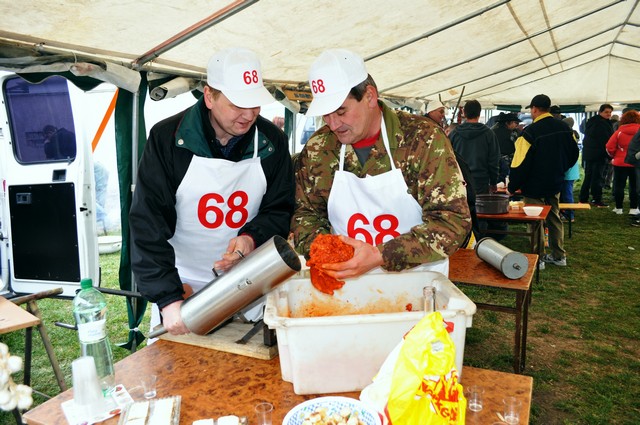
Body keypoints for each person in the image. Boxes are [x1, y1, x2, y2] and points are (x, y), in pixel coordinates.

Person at [130, 48, 295, 336]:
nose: (249, 115)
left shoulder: (272, 142)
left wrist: (250, 238)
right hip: (183, 285)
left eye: (255, 104)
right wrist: (168, 298)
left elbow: (279, 208)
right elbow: (148, 224)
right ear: (209, 96)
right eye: (237, 104)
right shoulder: (167, 139)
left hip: (248, 281)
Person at [292, 48, 471, 279]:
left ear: (369, 96)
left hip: (418, 283)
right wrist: (329, 252)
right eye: (326, 115)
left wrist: (381, 255)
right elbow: (306, 215)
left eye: (341, 112)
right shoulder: (319, 148)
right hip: (345, 284)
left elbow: (452, 221)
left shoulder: (422, 139)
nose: (333, 124)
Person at [508, 94, 579, 267]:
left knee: (535, 221)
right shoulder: (565, 128)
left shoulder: (529, 132)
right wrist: (561, 169)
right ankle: (559, 256)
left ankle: (538, 258)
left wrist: (513, 185)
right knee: (554, 216)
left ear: (534, 109)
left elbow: (519, 163)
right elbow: (574, 154)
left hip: (534, 185)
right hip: (555, 181)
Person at [449, 100, 500, 195]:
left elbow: (447, 158)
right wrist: (493, 182)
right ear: (479, 113)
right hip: (481, 182)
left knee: (462, 205)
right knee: (479, 204)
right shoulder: (489, 134)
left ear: (464, 113)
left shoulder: (454, 134)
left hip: (459, 181)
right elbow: (494, 161)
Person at [605, 110, 640, 215]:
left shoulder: (619, 132)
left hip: (620, 162)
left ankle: (619, 208)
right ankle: (634, 208)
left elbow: (609, 147)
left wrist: (614, 156)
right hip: (636, 162)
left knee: (619, 185)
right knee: (635, 186)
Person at [579, 104, 614, 207]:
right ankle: (596, 199)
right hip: (599, 154)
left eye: (610, 112)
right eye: (606, 112)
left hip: (589, 154)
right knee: (598, 178)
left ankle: (583, 198)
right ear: (600, 112)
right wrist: (609, 156)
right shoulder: (602, 124)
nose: (609, 114)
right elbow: (605, 141)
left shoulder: (592, 122)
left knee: (589, 177)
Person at [560, 117, 581, 222]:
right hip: (571, 169)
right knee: (566, 192)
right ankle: (566, 213)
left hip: (568, 170)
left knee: (567, 193)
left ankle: (569, 215)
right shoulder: (573, 134)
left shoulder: (567, 135)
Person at [491, 112, 520, 184]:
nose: (517, 125)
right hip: (508, 163)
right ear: (507, 123)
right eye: (515, 123)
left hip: (494, 162)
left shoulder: (492, 132)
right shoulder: (513, 133)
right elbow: (519, 148)